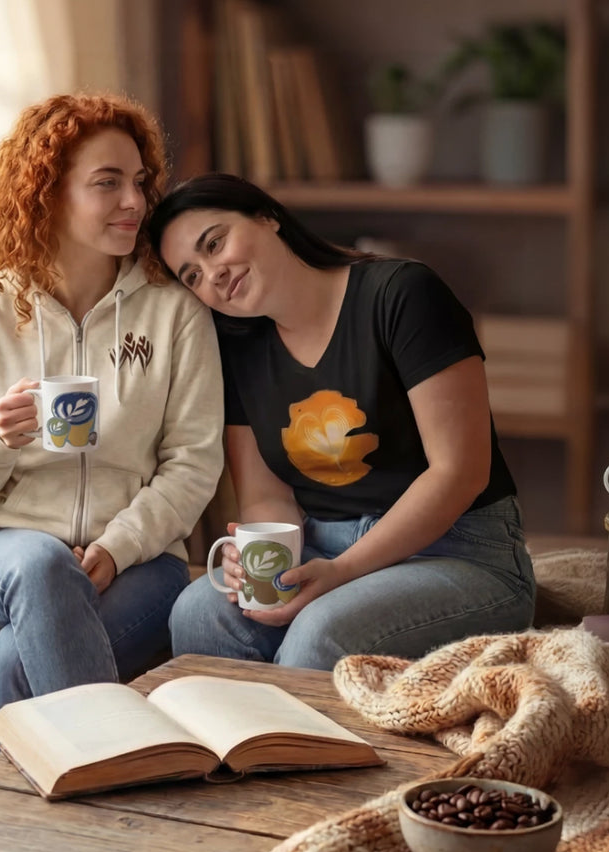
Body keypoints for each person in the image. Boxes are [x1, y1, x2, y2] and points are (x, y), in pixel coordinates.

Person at [0, 94, 224, 759]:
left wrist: (118, 545)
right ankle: (118, 780)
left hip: (140, 565)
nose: (135, 200)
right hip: (4, 557)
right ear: (49, 192)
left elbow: (193, 462)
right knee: (39, 566)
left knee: (12, 663)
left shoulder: (173, 313)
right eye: (107, 183)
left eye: (140, 182)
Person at [146, 172, 535, 667]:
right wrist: (262, 559)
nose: (213, 274)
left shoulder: (404, 295)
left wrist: (344, 571)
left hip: (459, 551)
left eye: (215, 243)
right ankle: (239, 746)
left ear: (267, 217)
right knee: (199, 613)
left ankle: (294, 747)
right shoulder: (237, 348)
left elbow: (459, 472)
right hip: (323, 546)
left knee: (318, 635)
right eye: (193, 275)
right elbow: (267, 496)